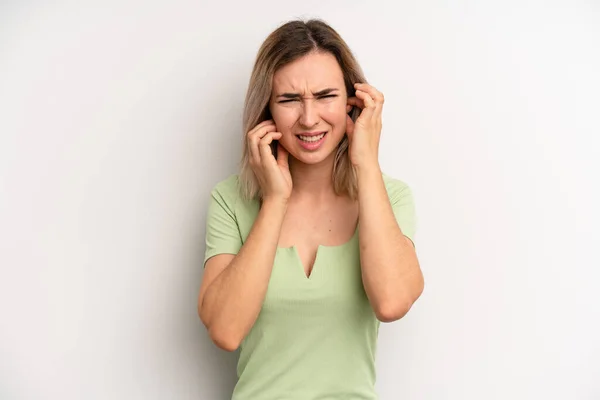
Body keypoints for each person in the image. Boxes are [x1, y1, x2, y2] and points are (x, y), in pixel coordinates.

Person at [197, 18, 424, 400]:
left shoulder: (391, 197)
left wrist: (366, 165)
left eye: (325, 95)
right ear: (266, 110)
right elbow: (225, 330)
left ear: (353, 102)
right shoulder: (229, 200)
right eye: (289, 100)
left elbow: (391, 301)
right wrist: (275, 200)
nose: (308, 118)